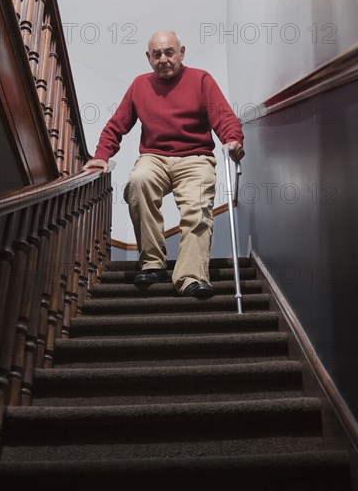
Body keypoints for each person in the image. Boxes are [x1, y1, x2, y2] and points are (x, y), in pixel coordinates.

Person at [84, 30, 244, 298]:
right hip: (154, 156)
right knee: (138, 182)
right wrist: (101, 155)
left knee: (196, 206)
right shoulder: (139, 85)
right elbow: (116, 126)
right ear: (149, 58)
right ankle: (152, 263)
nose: (164, 59)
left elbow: (224, 117)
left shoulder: (201, 79)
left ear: (182, 53)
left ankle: (191, 277)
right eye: (156, 54)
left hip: (195, 156)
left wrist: (233, 139)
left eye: (169, 52)